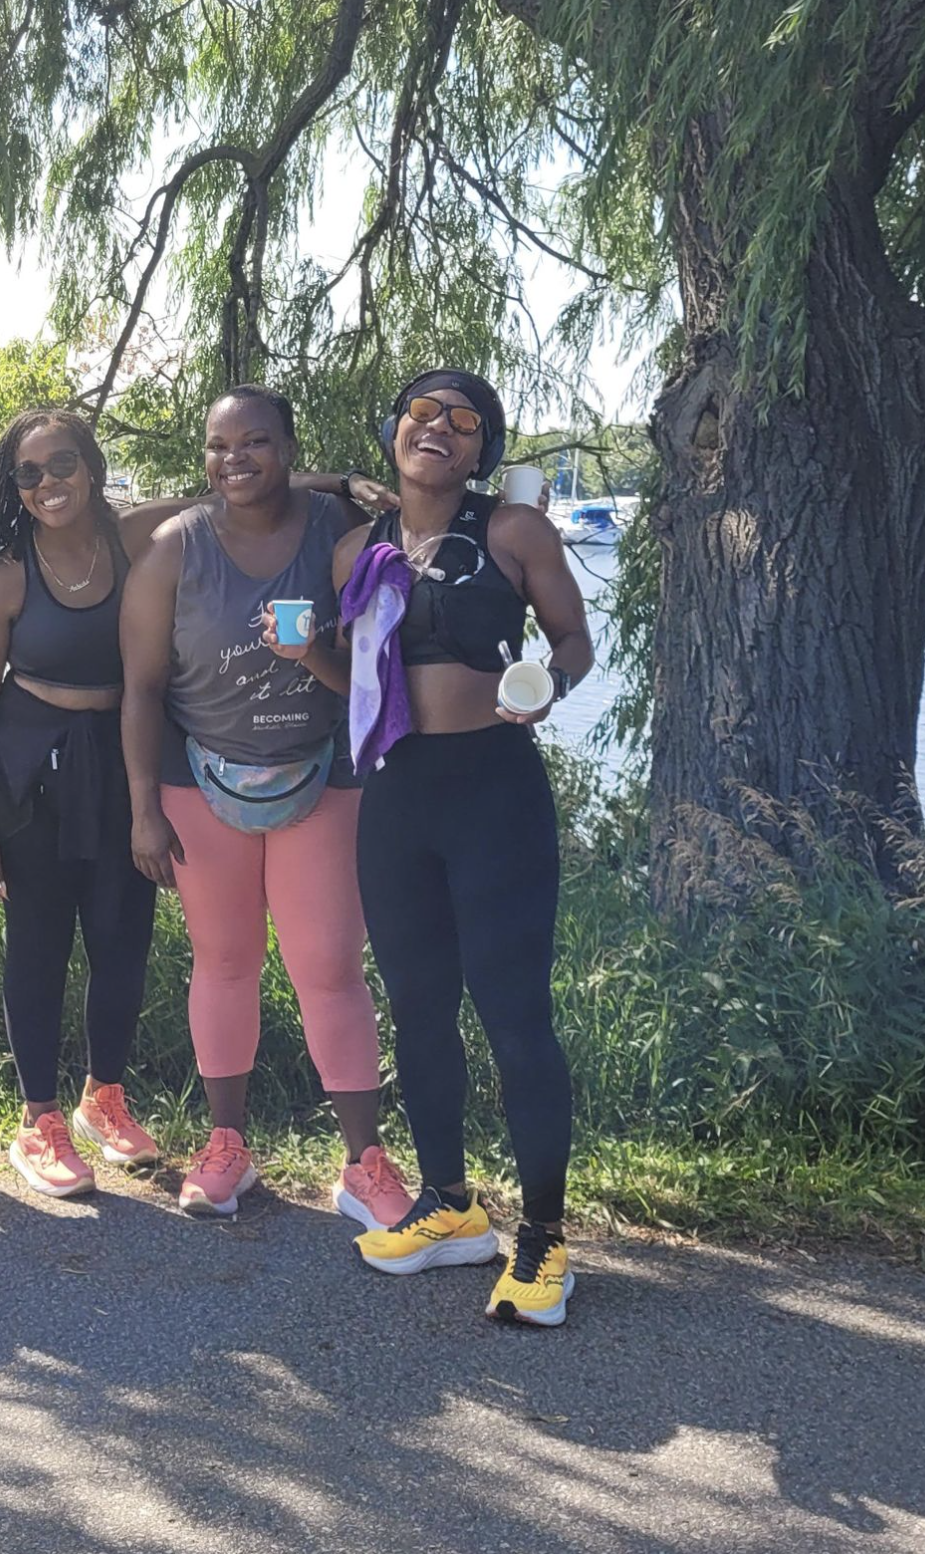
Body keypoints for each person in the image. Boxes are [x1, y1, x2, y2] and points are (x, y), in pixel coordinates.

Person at [333, 369, 593, 1326]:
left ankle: (545, 1243)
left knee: (514, 1015)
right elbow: (355, 677)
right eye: (418, 414)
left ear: (484, 450)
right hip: (396, 797)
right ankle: (450, 1206)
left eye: (461, 421)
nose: (435, 429)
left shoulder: (512, 534)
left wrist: (545, 684)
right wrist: (298, 655)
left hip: (494, 793)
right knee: (418, 1008)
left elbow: (574, 640)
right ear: (392, 430)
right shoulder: (357, 551)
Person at [120, 386, 413, 1224]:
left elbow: (378, 659)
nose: (234, 459)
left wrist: (339, 492)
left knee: (326, 966)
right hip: (200, 781)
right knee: (223, 962)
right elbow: (140, 692)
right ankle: (226, 1147)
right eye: (218, 446)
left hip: (323, 778)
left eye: (256, 443)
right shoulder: (176, 548)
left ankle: (365, 1164)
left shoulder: (337, 537)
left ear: (290, 448)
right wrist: (144, 808)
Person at [0, 409, 159, 1198]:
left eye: (62, 465)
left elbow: (235, 495)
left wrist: (340, 485)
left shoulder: (135, 540)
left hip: (123, 760)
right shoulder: (7, 575)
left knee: (122, 939)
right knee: (38, 943)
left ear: (94, 467)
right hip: (28, 771)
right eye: (28, 474)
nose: (47, 485)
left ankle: (102, 1098)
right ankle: (38, 1119)